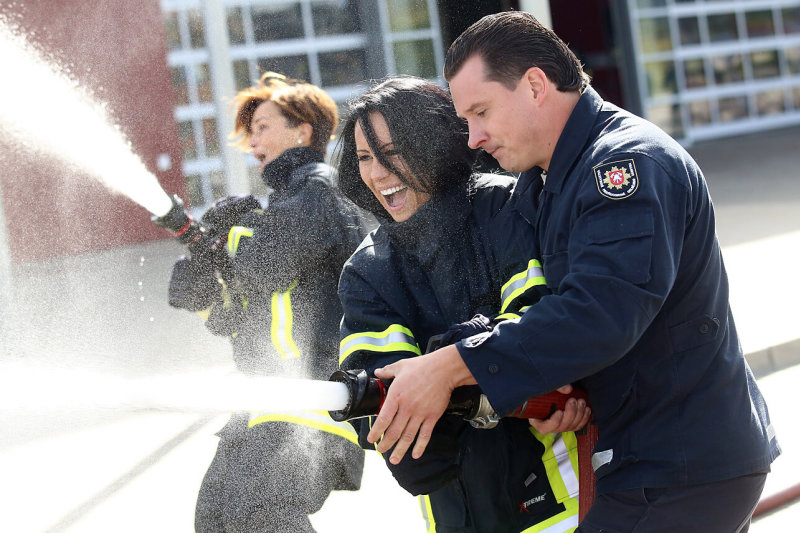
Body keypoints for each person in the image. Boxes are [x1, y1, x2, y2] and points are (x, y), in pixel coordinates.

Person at [364, 12, 781, 533]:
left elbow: (600, 313)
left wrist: (451, 365)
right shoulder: (547, 182)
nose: (473, 138)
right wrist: (559, 392)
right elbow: (567, 328)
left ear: (535, 85)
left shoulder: (626, 166)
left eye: (481, 111)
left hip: (678, 465)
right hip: (649, 461)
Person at [336, 76, 590, 533]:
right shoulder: (367, 271)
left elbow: (549, 333)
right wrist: (467, 375)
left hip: (561, 509)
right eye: (365, 158)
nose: (377, 174)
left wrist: (447, 370)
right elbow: (396, 423)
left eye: (393, 153)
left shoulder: (509, 208)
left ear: (434, 144)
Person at [166, 72, 369, 532]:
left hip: (311, 394)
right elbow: (230, 318)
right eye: (251, 130)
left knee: (257, 512)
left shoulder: (318, 189)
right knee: (215, 518)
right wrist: (200, 262)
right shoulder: (279, 206)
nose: (253, 140)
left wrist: (221, 239)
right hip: (264, 397)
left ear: (302, 131)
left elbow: (264, 266)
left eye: (262, 126)